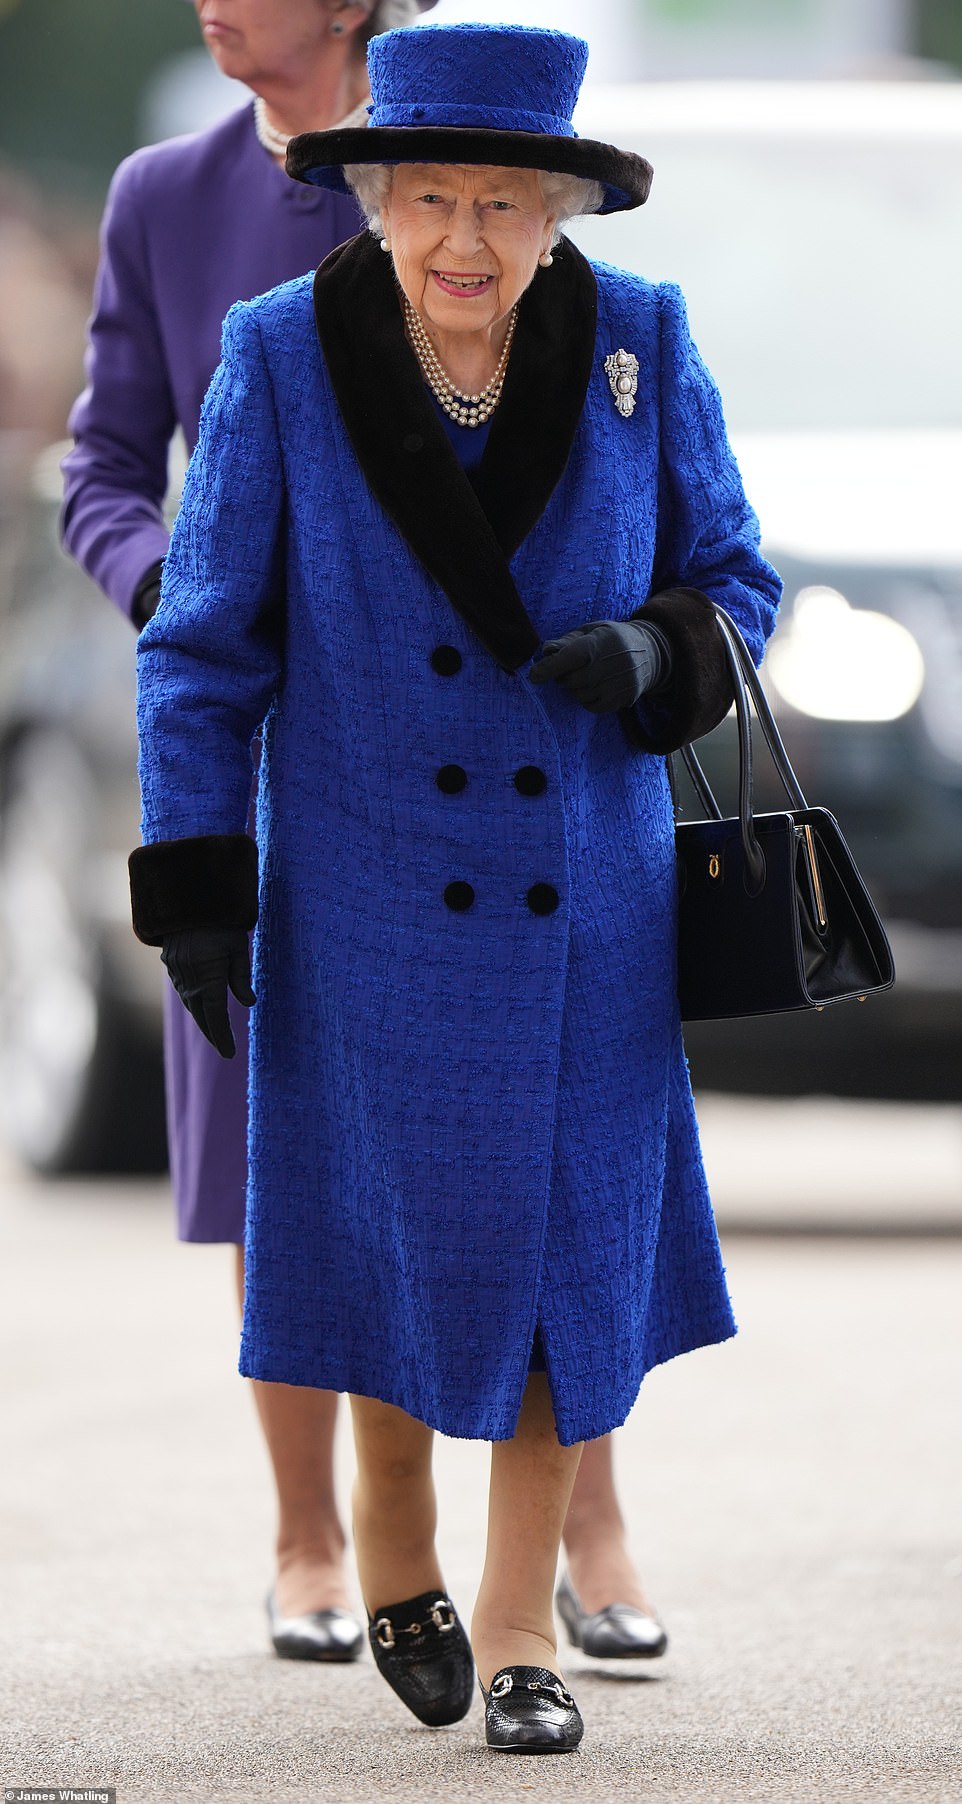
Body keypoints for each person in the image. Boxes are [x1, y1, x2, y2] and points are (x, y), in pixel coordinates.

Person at [129, 21, 781, 1751]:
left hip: (590, 895)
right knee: (387, 1241)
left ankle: (517, 1633)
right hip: (363, 889)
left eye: (504, 201)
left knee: (564, 1256)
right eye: (430, 198)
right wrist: (199, 877)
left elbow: (736, 574)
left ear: (565, 209)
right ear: (371, 197)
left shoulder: (641, 343)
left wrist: (658, 648)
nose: (465, 242)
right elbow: (199, 649)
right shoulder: (277, 354)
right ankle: (391, 1548)